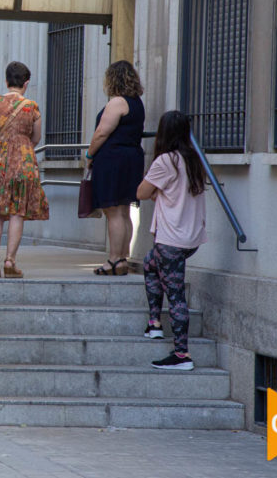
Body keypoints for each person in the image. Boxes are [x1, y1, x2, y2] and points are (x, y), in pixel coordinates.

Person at [136, 111, 207, 370]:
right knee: (149, 263)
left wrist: (155, 189)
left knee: (176, 295)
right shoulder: (195, 159)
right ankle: (154, 324)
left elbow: (142, 192)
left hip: (171, 239)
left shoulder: (166, 160)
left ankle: (181, 355)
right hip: (190, 238)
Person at [0, 62, 49, 278]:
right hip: (23, 161)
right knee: (18, 211)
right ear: (26, 83)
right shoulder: (31, 106)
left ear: (6, 82)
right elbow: (36, 138)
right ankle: (10, 262)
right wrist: (21, 146)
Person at [85, 60, 145, 276]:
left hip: (113, 160)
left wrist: (89, 154)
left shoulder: (117, 102)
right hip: (132, 158)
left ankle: (114, 259)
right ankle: (123, 259)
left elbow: (102, 132)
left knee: (113, 212)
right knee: (124, 211)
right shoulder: (137, 102)